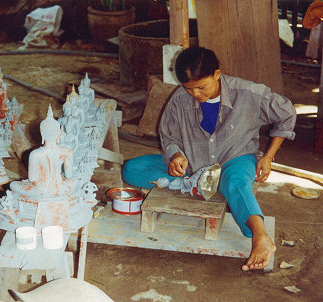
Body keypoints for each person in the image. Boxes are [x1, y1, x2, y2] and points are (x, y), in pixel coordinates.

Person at [122, 47, 296, 271]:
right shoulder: (179, 98)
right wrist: (175, 155)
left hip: (235, 159)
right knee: (132, 169)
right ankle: (195, 183)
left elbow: (287, 114)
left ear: (217, 74)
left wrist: (269, 156)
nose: (195, 94)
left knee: (235, 182)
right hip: (194, 164)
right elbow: (169, 135)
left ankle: (260, 236)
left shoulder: (248, 93)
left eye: (201, 87)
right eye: (189, 88)